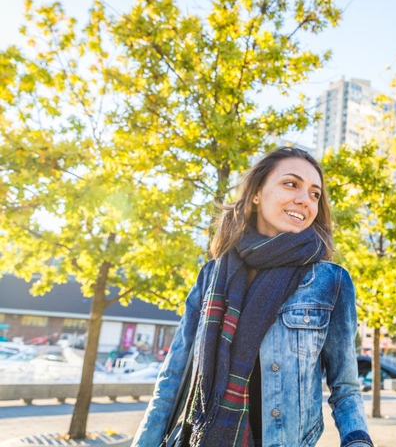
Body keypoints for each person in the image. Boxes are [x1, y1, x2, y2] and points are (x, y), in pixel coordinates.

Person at [132, 147, 372, 447]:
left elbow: (345, 386)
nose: (304, 199)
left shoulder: (330, 281)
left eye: (315, 194)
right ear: (257, 192)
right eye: (291, 184)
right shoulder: (212, 275)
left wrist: (358, 441)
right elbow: (173, 377)